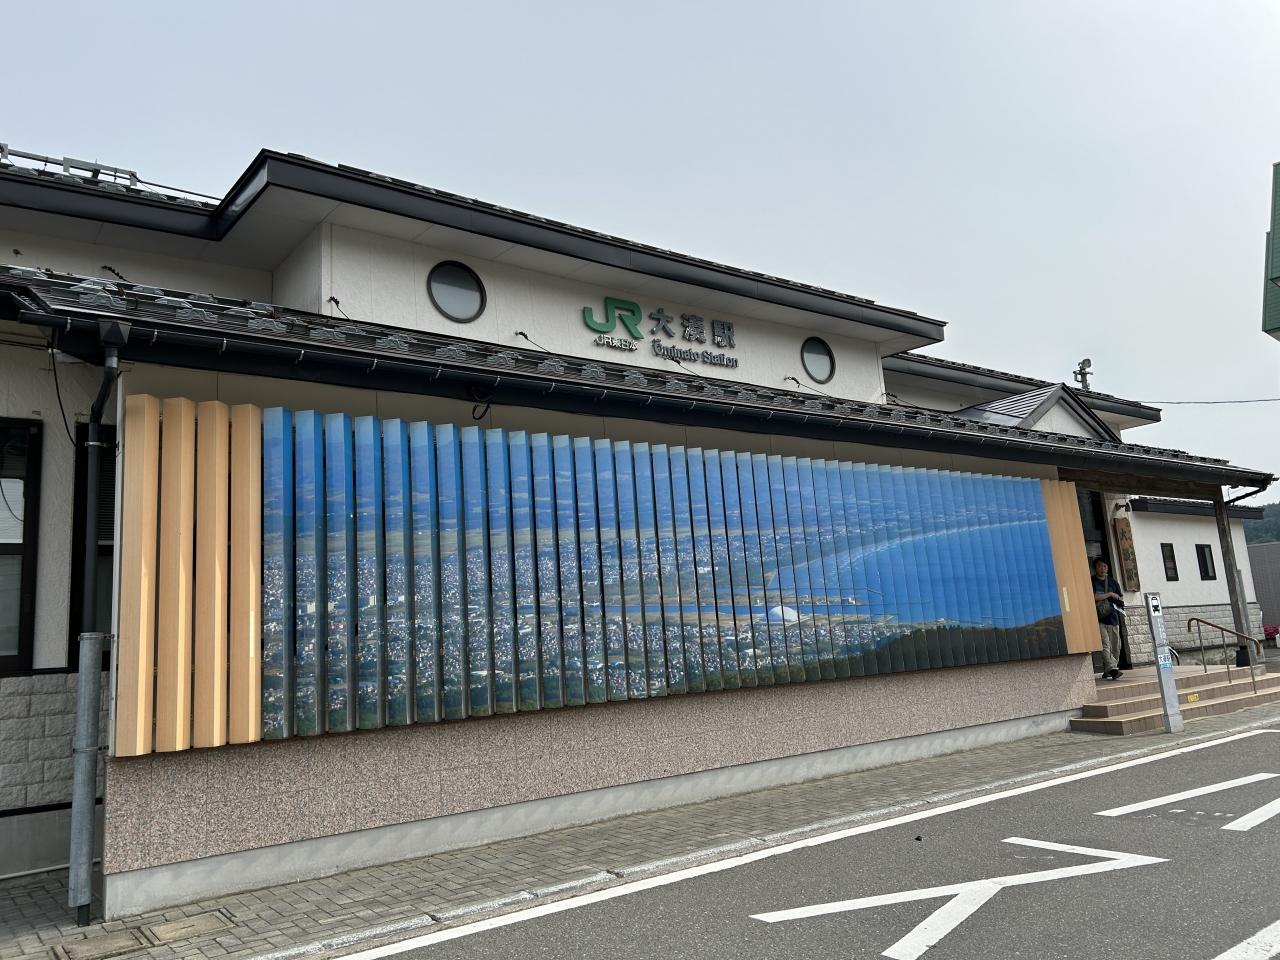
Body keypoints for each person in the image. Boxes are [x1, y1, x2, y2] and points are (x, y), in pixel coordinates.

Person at [1091, 558, 1125, 680]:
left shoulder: (1113, 582)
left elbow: (1120, 597)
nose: (1102, 568)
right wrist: (1110, 594)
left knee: (1116, 646)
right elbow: (1093, 596)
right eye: (1099, 566)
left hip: (1113, 617)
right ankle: (1113, 669)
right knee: (1105, 645)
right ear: (1095, 568)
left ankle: (1109, 670)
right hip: (1099, 618)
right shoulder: (1092, 581)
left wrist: (1118, 600)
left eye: (1105, 566)